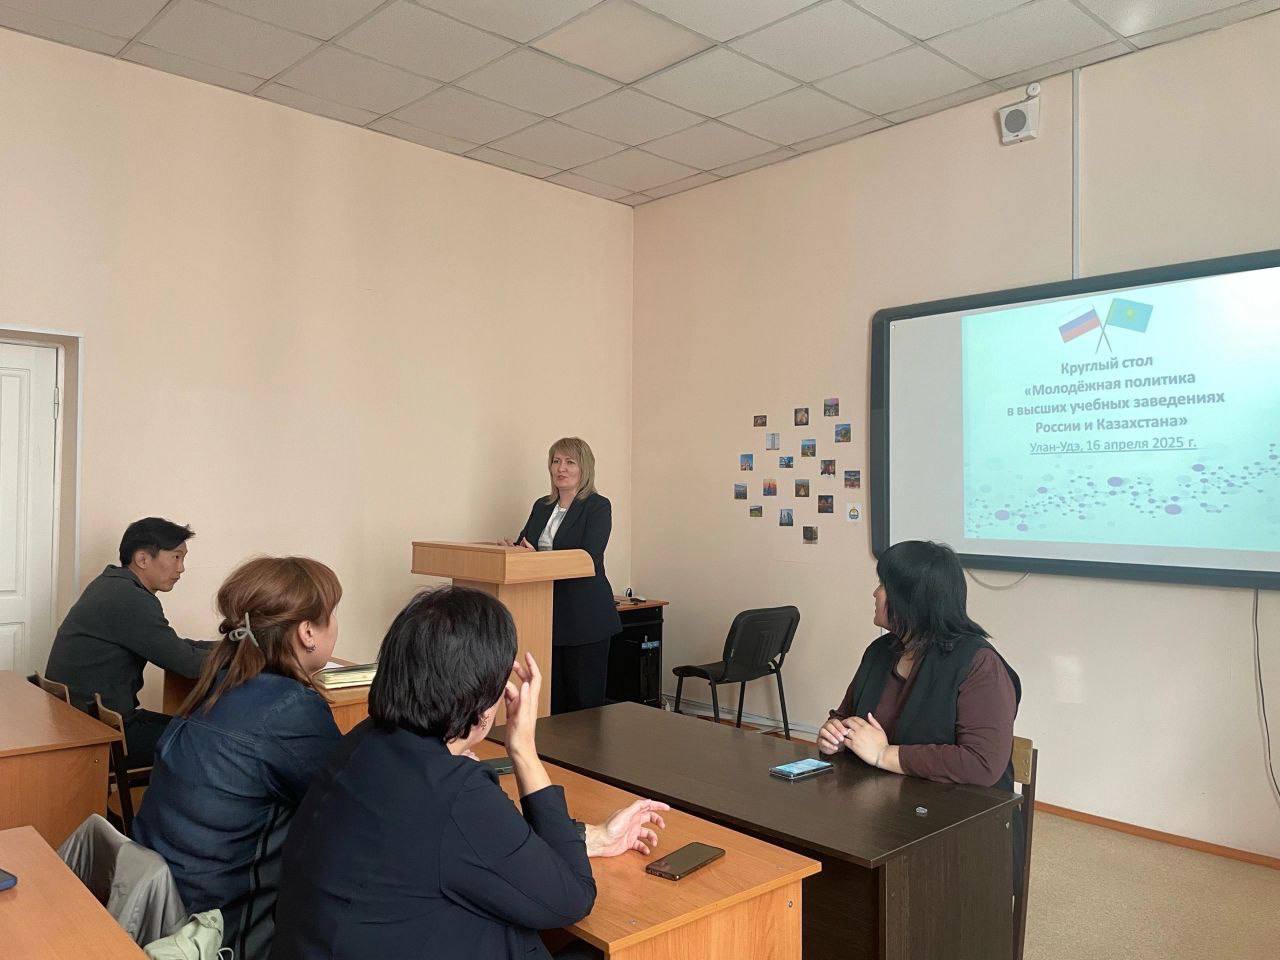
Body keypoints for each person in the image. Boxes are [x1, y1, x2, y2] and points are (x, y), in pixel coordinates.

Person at [271, 586, 668, 960]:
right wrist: (523, 749)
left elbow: (485, 847)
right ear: (480, 700)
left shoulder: (365, 742)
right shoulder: (451, 791)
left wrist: (592, 838)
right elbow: (572, 898)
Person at [134, 556, 344, 960]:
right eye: (331, 614)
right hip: (218, 932)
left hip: (168, 906)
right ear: (307, 632)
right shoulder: (290, 709)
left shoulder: (219, 684)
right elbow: (351, 808)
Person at [816, 540, 1022, 881]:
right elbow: (847, 715)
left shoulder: (978, 663)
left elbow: (982, 764)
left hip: (961, 830)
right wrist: (835, 734)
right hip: (885, 811)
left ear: (910, 599)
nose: (875, 593)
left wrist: (884, 755)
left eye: (883, 585)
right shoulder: (880, 651)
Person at [45, 517, 208, 768]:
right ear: (142, 559)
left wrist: (227, 646)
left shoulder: (110, 584)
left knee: (194, 731)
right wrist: (246, 654)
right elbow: (188, 664)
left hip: (79, 723)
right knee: (207, 741)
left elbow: (168, 645)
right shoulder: (130, 599)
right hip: (101, 734)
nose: (181, 568)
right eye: (176, 557)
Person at [504, 438, 621, 713]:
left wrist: (537, 557)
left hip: (584, 617)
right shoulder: (542, 506)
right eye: (556, 461)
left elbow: (587, 558)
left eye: (570, 462)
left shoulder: (597, 506)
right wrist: (515, 551)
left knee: (583, 706)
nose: (561, 468)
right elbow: (526, 546)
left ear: (584, 469)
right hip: (545, 615)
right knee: (550, 704)